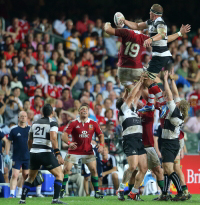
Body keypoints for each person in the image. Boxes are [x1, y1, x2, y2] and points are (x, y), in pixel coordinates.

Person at [118, 4, 191, 113]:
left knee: (147, 81)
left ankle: (162, 103)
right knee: (146, 79)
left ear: (155, 14)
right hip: (157, 56)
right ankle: (150, 104)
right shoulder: (151, 22)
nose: (149, 13)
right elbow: (137, 26)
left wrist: (150, 40)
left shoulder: (160, 23)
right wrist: (125, 21)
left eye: (150, 12)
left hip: (161, 57)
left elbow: (162, 34)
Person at [19, 104, 66, 204]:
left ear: (42, 112)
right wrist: (58, 154)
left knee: (30, 177)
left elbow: (29, 140)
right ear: (52, 113)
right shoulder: (53, 123)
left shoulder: (34, 123)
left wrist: (32, 151)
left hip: (33, 153)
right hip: (45, 153)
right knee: (59, 174)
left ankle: (22, 200)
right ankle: (55, 199)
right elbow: (53, 138)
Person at [60, 103, 104, 199]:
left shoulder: (93, 123)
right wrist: (69, 142)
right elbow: (63, 135)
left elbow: (101, 135)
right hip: (74, 150)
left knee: (93, 170)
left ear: (88, 112)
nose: (84, 111)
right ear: (79, 112)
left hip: (88, 151)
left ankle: (96, 192)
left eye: (86, 110)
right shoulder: (73, 122)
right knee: (66, 169)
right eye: (82, 109)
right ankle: (62, 191)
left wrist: (101, 145)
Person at [160, 70, 190, 201]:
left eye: (178, 102)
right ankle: (166, 194)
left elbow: (171, 96)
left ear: (179, 106)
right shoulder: (179, 111)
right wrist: (172, 79)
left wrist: (165, 80)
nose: (177, 101)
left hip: (169, 143)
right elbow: (176, 93)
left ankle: (181, 192)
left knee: (168, 169)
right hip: (171, 142)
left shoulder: (175, 113)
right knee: (167, 170)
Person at [116, 77, 147, 201]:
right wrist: (139, 82)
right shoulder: (123, 111)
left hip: (139, 140)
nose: (129, 100)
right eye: (125, 100)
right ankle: (121, 189)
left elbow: (137, 93)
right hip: (129, 140)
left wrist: (142, 80)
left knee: (144, 168)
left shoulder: (133, 110)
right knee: (133, 167)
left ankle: (134, 192)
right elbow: (131, 95)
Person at [5, 111, 30, 198]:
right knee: (14, 174)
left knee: (25, 175)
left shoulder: (30, 129)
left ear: (27, 118)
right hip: (17, 156)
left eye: (25, 116)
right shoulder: (14, 129)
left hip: (27, 156)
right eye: (21, 116)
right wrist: (7, 154)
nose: (23, 117)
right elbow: (8, 141)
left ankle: (20, 193)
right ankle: (12, 193)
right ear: (18, 118)